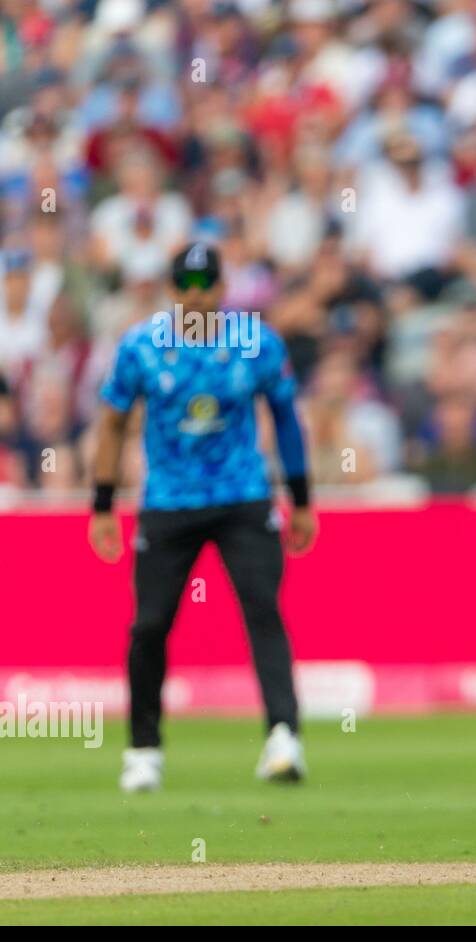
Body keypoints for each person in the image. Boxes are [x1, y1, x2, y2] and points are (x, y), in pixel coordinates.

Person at [88, 242, 318, 792]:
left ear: (221, 288)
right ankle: (144, 750)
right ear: (172, 290)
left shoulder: (256, 343)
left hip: (242, 496)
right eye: (185, 286)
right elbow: (113, 423)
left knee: (263, 610)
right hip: (167, 501)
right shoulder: (142, 346)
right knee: (149, 625)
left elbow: (285, 417)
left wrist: (301, 497)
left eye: (205, 286)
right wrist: (101, 504)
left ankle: (283, 737)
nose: (195, 297)